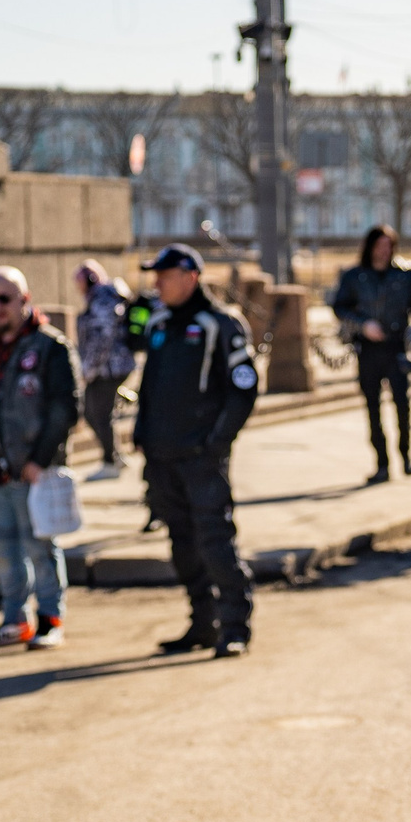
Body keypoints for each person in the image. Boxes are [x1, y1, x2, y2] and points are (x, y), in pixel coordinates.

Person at [129, 245, 257, 658]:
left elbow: (244, 388)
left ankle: (235, 626)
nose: (157, 284)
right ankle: (203, 623)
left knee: (215, 542)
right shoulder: (160, 321)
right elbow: (149, 382)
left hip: (201, 457)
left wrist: (216, 442)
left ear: (190, 277)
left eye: (164, 276)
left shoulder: (220, 324)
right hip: (161, 456)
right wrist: (142, 433)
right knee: (182, 546)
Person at [0, 266, 81, 651]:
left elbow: (65, 408)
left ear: (24, 300)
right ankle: (14, 621)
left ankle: (50, 619)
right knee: (3, 551)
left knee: (40, 547)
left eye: (4, 299)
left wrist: (41, 459)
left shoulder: (49, 347)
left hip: (30, 469)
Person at [332, 224, 411, 483]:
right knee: (373, 408)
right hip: (368, 350)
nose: (384, 251)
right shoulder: (354, 276)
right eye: (380, 245)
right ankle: (382, 464)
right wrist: (363, 324)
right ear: (370, 247)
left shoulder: (405, 275)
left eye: (389, 246)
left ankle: (405, 457)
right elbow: (340, 307)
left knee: (403, 405)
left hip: (397, 348)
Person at [72, 259, 137, 480]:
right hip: (108, 367)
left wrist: (87, 369)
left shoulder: (102, 300)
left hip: (109, 368)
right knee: (94, 412)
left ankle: (110, 463)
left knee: (98, 414)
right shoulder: (102, 298)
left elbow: (102, 339)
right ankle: (114, 457)